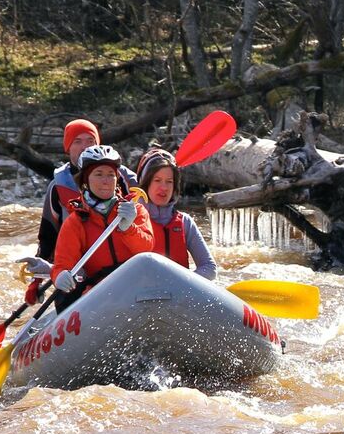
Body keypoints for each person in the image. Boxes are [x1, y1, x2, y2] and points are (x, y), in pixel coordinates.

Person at [18, 118, 138, 304]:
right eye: (77, 142)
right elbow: (48, 238)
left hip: (120, 271)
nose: (84, 147)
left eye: (90, 141)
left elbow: (146, 230)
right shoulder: (58, 187)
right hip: (76, 273)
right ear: (68, 148)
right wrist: (36, 281)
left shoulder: (124, 180)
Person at [50, 145, 154, 311]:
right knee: (66, 296)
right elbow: (62, 264)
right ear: (86, 180)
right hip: (99, 293)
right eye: (98, 174)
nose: (106, 180)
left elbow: (147, 248)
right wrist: (59, 276)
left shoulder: (134, 210)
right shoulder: (76, 222)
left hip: (135, 287)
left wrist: (129, 228)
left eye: (111, 175)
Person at [134, 146, 217, 280]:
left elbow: (209, 268)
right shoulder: (131, 222)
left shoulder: (185, 222)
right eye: (157, 180)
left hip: (180, 295)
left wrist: (181, 284)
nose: (164, 188)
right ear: (145, 184)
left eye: (169, 182)